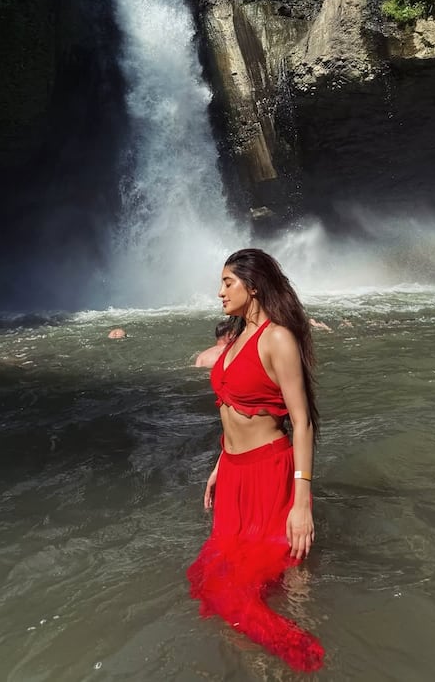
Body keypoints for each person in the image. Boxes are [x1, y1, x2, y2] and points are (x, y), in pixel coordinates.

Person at [187, 248, 324, 673]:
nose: (219, 292)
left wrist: (301, 502)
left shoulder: (276, 337)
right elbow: (230, 412)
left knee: (263, 573)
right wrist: (219, 464)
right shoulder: (236, 335)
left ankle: (306, 654)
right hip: (232, 475)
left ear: (254, 285)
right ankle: (255, 665)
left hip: (268, 472)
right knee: (208, 581)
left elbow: (301, 423)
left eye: (228, 283)